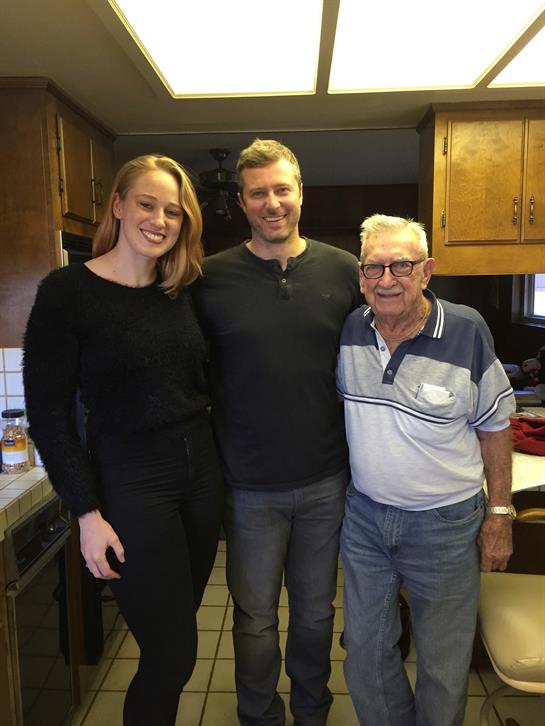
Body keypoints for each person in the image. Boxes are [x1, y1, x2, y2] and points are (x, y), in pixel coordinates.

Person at [23, 154, 224, 726]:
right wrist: (86, 512)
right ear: (116, 204)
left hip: (202, 478)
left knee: (176, 639)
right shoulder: (67, 292)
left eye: (174, 212)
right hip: (133, 485)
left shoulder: (181, 289)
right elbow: (49, 414)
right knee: (172, 655)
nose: (161, 220)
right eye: (147, 203)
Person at [192, 139, 361, 726]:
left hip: (325, 482)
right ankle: (259, 716)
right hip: (248, 488)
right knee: (255, 618)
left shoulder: (345, 270)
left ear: (300, 193)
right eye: (258, 193)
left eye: (281, 190)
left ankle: (312, 711)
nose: (272, 203)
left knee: (316, 614)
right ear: (241, 202)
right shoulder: (208, 279)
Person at [337, 214, 516, 726]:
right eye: (374, 268)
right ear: (361, 275)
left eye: (401, 265)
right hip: (366, 520)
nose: (387, 279)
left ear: (427, 270)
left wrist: (499, 515)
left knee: (442, 664)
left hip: (445, 525)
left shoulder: (466, 329)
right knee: (366, 655)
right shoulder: (352, 329)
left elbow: (496, 426)